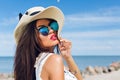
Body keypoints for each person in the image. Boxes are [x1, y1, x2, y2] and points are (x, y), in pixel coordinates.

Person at [13, 6, 83, 80]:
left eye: (53, 26)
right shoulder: (54, 60)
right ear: (32, 38)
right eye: (43, 30)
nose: (51, 30)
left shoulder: (39, 63)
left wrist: (68, 57)